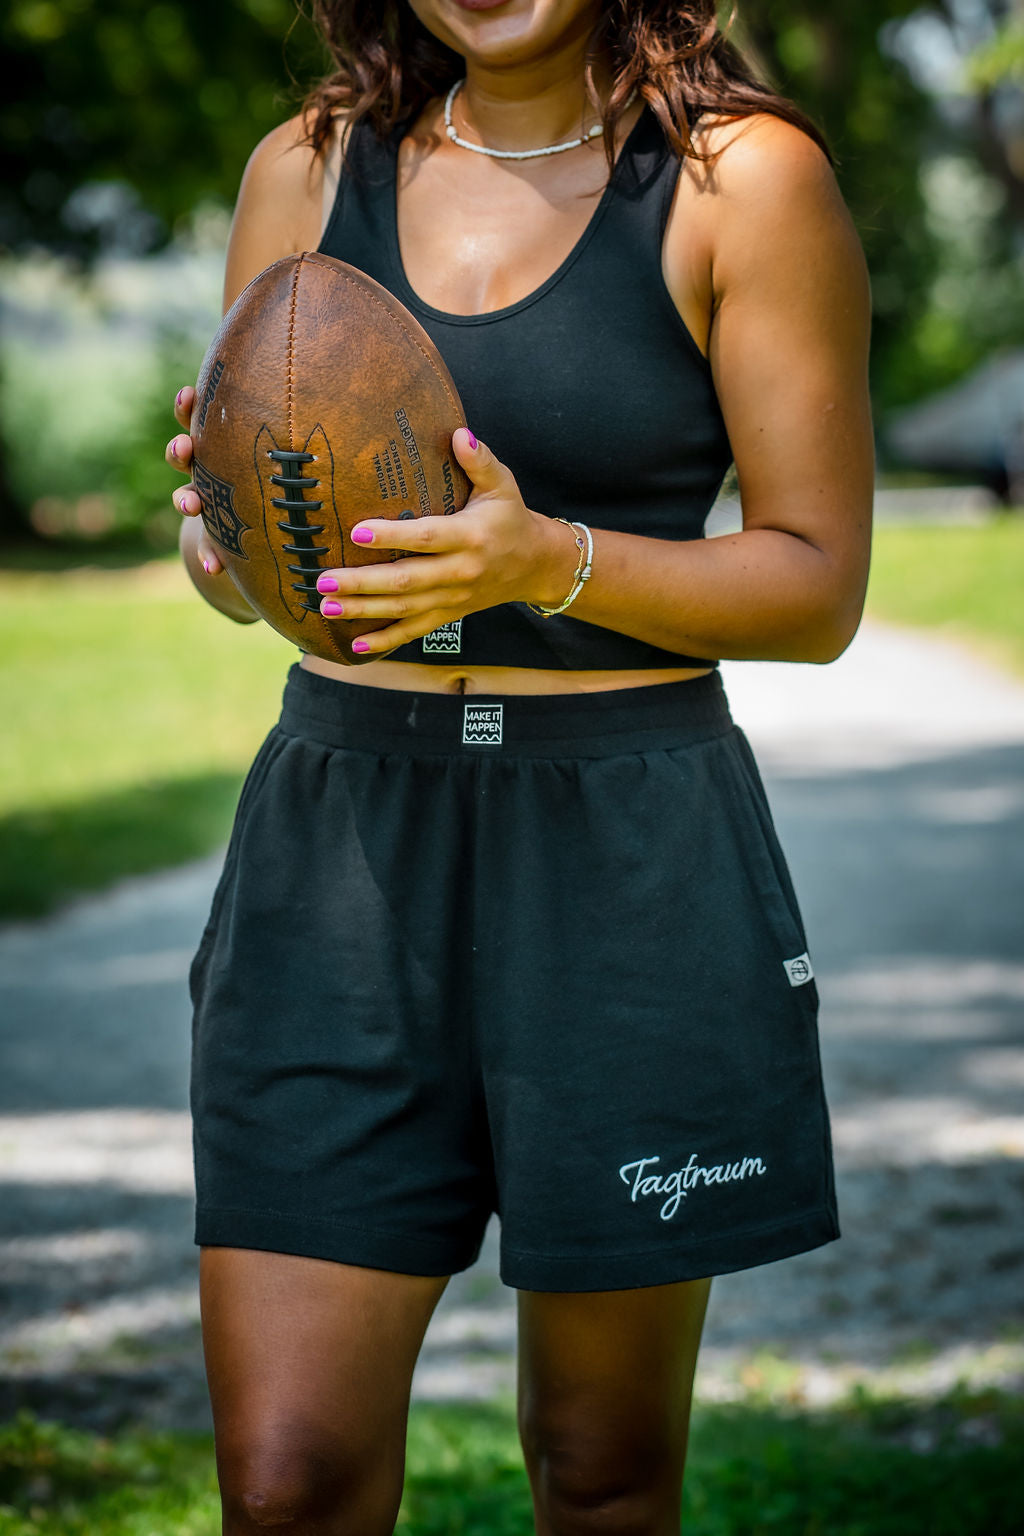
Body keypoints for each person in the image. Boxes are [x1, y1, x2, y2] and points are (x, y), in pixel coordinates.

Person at [167, 2, 873, 1530]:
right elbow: (249, 574)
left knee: (602, 1467)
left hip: (626, 844)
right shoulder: (308, 166)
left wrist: (540, 559)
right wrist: (224, 537)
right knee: (286, 1482)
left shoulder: (740, 179)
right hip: (345, 843)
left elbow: (817, 585)